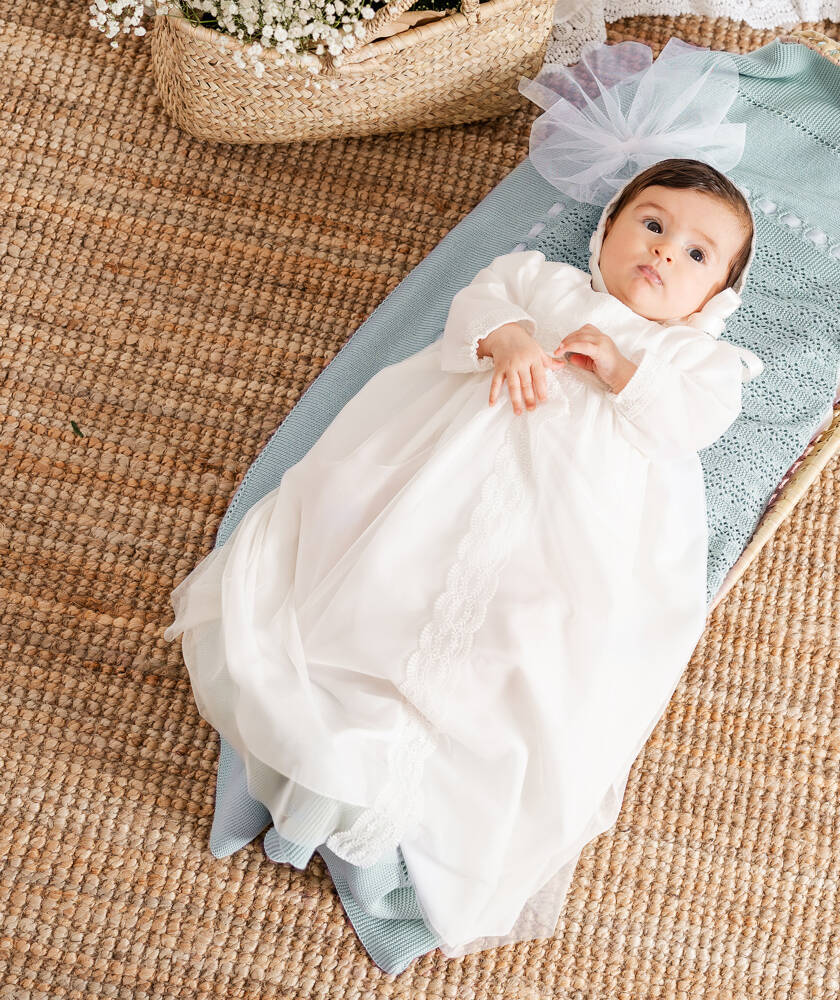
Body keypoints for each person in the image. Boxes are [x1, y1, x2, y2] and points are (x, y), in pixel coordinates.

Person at [164, 39, 765, 959]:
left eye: (694, 253)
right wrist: (513, 339)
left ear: (715, 296)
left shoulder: (701, 359)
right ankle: (306, 785)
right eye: (650, 224)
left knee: (520, 642)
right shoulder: (549, 284)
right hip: (452, 467)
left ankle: (385, 820)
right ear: (606, 228)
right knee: (383, 585)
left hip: (578, 524)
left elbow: (694, 421)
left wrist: (626, 371)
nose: (661, 254)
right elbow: (483, 299)